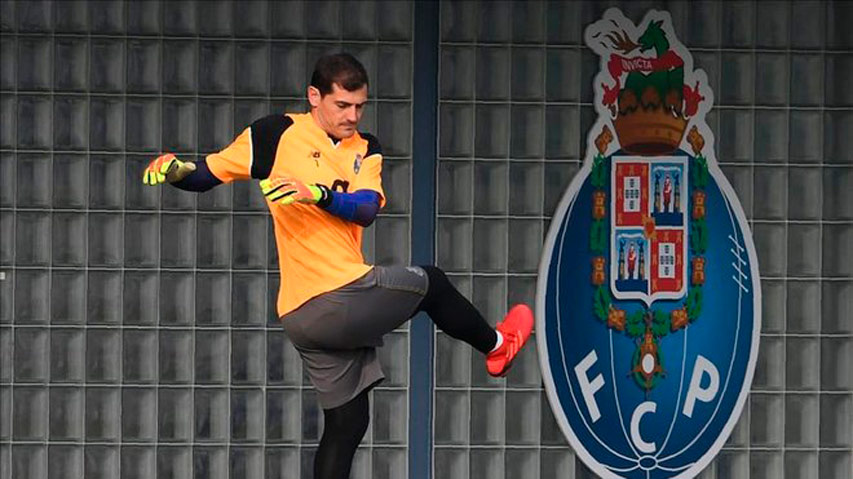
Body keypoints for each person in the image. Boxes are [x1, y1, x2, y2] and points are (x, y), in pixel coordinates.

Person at [143, 52, 534, 479]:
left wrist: (318, 193)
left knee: (348, 423)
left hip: (305, 316)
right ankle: (497, 347)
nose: (352, 116)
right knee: (433, 283)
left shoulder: (365, 148)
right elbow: (204, 175)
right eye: (341, 105)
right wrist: (175, 170)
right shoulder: (275, 134)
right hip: (331, 298)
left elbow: (366, 209)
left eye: (359, 106)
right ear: (315, 96)